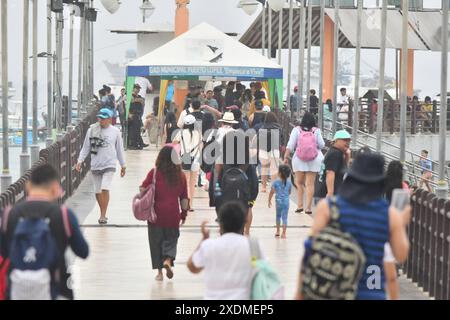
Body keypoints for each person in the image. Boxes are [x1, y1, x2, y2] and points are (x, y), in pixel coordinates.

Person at [296, 152, 411, 300]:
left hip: (334, 291)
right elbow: (400, 254)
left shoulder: (328, 208)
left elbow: (310, 252)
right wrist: (401, 222)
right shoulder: (389, 215)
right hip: (371, 292)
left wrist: (299, 294)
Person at [0, 164, 89, 300]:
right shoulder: (63, 215)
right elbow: (83, 252)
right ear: (55, 187)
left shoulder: (9, 215)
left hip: (15, 292)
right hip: (55, 291)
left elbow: (3, 253)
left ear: (28, 186)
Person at [187, 201, 264, 299]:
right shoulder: (253, 245)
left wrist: (204, 239)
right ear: (244, 223)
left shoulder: (209, 246)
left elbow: (192, 267)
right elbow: (261, 270)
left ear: (220, 224)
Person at [139, 145, 188, 281]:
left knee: (156, 243)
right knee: (171, 240)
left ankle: (160, 273)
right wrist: (183, 214)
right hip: (173, 215)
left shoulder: (154, 173)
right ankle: (168, 259)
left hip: (155, 215)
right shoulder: (181, 176)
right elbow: (184, 199)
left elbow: (143, 189)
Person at [76, 108, 126, 224]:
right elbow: (86, 147)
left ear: (109, 119)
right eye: (100, 118)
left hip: (109, 164)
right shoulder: (92, 130)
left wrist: (123, 165)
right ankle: (101, 211)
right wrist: (80, 160)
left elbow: (119, 149)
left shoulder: (115, 132)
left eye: (104, 118)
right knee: (97, 191)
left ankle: (103, 215)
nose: (101, 120)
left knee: (105, 188)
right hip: (96, 164)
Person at [214, 130, 259, 236]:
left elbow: (216, 182)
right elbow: (254, 184)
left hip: (225, 200)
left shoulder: (222, 161)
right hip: (242, 199)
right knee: (240, 230)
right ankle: (245, 233)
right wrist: (251, 200)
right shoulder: (248, 162)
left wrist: (216, 199)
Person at [284, 112, 325, 215]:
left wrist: (285, 156)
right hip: (314, 159)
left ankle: (299, 205)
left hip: (299, 159)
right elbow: (322, 145)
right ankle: (308, 208)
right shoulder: (316, 131)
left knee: (299, 183)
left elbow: (290, 144)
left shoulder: (296, 130)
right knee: (310, 184)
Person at [173, 115, 202, 211]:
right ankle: (191, 205)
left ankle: (184, 204)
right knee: (192, 183)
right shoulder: (198, 133)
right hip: (196, 158)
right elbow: (201, 145)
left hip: (185, 157)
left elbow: (174, 142)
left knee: (185, 183)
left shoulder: (180, 132)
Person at [314, 130, 351, 201]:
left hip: (322, 194)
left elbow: (345, 170)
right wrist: (330, 193)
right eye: (345, 140)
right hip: (326, 195)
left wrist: (347, 156)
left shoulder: (336, 152)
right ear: (336, 140)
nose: (347, 142)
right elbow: (330, 173)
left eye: (349, 140)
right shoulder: (335, 154)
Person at [258, 112, 282, 193]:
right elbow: (282, 138)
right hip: (274, 149)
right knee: (274, 169)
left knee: (264, 168)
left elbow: (258, 139)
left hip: (263, 150)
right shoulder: (278, 127)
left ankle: (264, 187)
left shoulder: (262, 127)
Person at [268, 165, 293, 239]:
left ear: (279, 173)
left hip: (278, 202)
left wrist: (269, 200)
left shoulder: (275, 182)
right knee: (285, 217)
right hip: (286, 202)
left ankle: (278, 231)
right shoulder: (289, 183)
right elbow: (289, 192)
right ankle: (284, 233)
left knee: (278, 216)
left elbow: (272, 192)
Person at [128, 84, 148, 150]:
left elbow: (142, 102)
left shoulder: (139, 96)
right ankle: (135, 144)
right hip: (132, 115)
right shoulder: (130, 95)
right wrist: (139, 100)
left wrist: (139, 100)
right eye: (137, 88)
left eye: (139, 88)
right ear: (133, 88)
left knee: (137, 130)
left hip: (138, 115)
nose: (138, 89)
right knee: (133, 131)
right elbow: (131, 101)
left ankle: (139, 143)